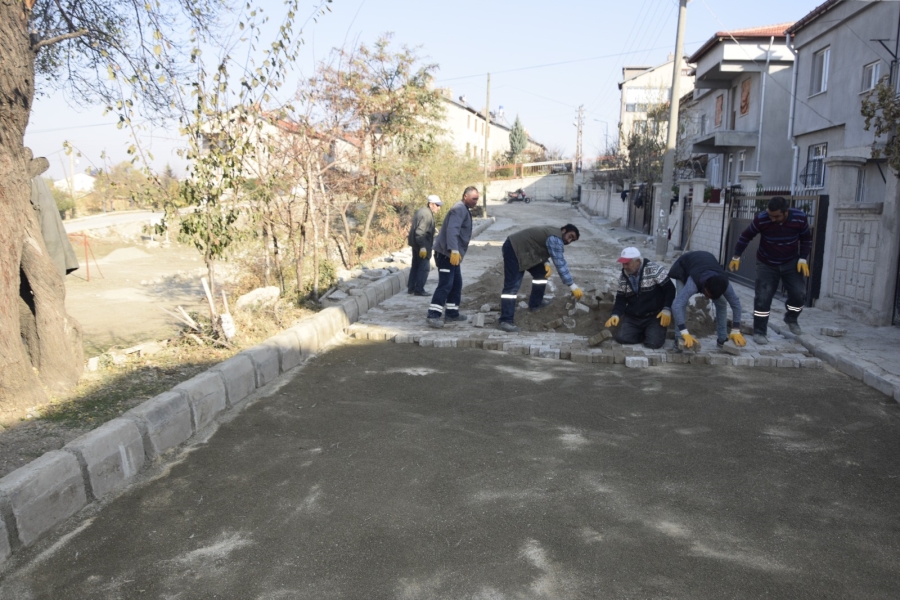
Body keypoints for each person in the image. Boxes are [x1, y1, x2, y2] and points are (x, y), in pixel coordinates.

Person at [729, 196, 812, 344]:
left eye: (776, 216)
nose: (772, 219)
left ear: (786, 212)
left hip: (791, 262)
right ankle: (760, 331)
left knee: (799, 294)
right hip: (766, 263)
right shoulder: (761, 219)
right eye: (770, 215)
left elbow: (806, 238)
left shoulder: (799, 218)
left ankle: (791, 317)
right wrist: (736, 256)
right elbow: (746, 236)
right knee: (763, 297)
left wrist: (803, 258)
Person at [497, 224, 583, 333]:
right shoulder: (556, 238)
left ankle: (536, 303)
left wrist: (545, 262)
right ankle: (506, 321)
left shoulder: (553, 233)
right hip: (514, 249)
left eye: (572, 240)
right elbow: (560, 263)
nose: (569, 241)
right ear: (564, 230)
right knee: (512, 287)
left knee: (541, 274)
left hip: (526, 251)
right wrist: (572, 285)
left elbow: (538, 244)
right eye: (570, 236)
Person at [668, 250, 746, 349]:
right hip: (684, 267)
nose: (707, 298)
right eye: (707, 295)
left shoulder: (724, 284)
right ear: (705, 286)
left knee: (722, 303)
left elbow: (736, 304)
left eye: (711, 297)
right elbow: (676, 304)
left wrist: (736, 329)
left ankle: (722, 339)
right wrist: (684, 332)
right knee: (682, 302)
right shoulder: (693, 284)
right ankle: (679, 338)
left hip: (706, 265)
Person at [425, 186, 479, 328]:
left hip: (453, 255)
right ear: (465, 196)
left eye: (477, 199)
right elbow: (452, 230)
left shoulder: (463, 209)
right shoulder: (459, 209)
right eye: (474, 199)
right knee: (446, 284)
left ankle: (452, 313)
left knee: (456, 283)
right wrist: (454, 249)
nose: (476, 202)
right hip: (446, 254)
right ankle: (433, 314)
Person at [603, 247, 675, 349]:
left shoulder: (654, 269)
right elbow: (621, 298)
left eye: (627, 263)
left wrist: (667, 309)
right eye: (623, 263)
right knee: (621, 338)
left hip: (654, 316)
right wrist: (616, 314)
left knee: (653, 344)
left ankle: (652, 334)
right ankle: (645, 334)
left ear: (637, 261)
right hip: (634, 318)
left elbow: (670, 289)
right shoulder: (624, 276)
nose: (624, 266)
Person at [407, 194, 442, 296]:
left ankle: (411, 288)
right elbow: (420, 231)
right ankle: (419, 290)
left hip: (416, 244)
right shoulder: (427, 215)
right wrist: (422, 247)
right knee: (424, 267)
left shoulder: (422, 211)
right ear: (431, 204)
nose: (439, 208)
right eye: (437, 205)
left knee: (415, 266)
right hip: (422, 245)